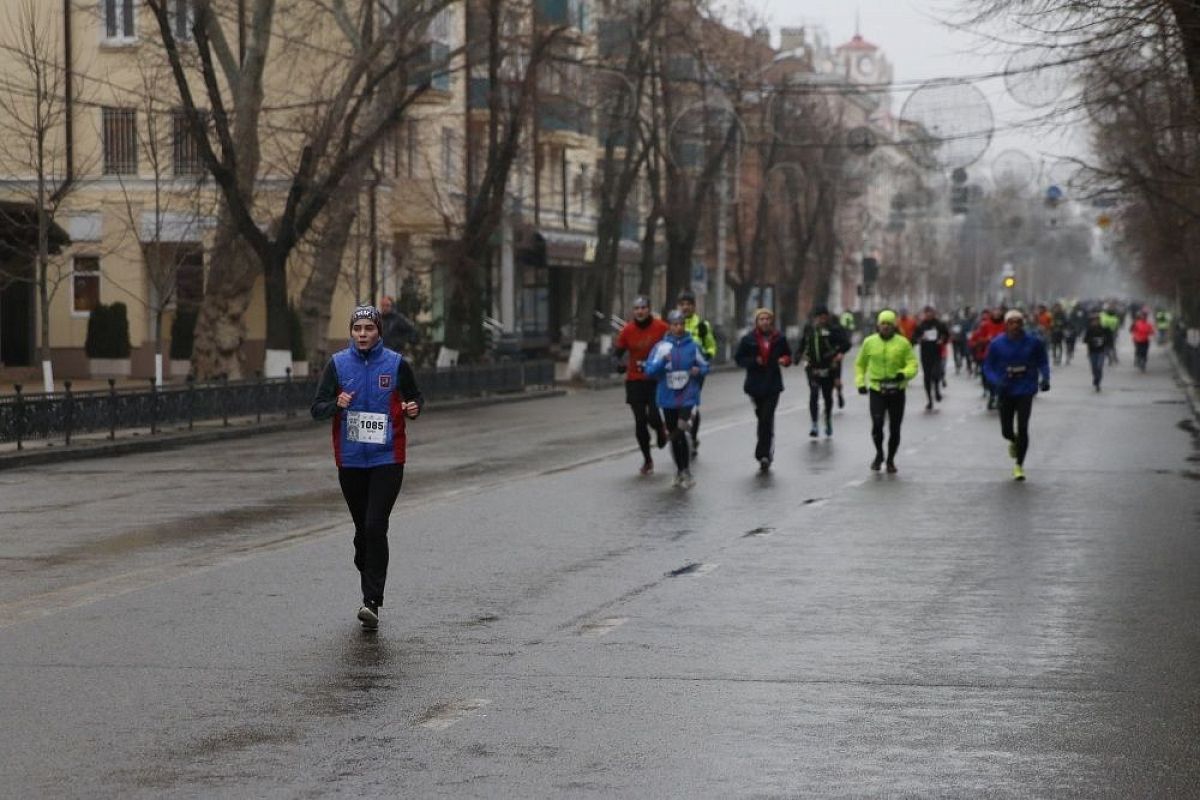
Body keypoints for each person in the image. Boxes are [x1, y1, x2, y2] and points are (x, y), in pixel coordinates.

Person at [311, 305, 423, 630]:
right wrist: (336, 404)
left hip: (388, 458)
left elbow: (415, 398)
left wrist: (413, 408)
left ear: (378, 332)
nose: (362, 334)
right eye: (357, 328)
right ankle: (365, 559)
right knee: (363, 532)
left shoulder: (396, 364)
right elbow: (316, 409)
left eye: (368, 329)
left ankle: (371, 601)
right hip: (351, 460)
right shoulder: (337, 364)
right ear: (351, 332)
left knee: (376, 526)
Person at [982, 310, 1050, 481]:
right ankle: (1012, 440)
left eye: (1018, 322)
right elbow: (987, 366)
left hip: (1026, 389)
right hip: (1005, 389)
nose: (1015, 326)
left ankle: (1019, 465)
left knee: (1023, 428)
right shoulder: (997, 344)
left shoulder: (1033, 342)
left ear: (1022, 324)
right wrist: (996, 380)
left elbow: (1042, 361)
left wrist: (1046, 377)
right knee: (1006, 430)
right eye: (1011, 322)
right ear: (1006, 325)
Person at [645, 310, 709, 487]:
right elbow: (649, 371)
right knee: (675, 436)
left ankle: (686, 471)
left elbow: (705, 366)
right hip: (667, 397)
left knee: (680, 431)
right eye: (675, 324)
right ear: (670, 326)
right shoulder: (661, 347)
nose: (678, 327)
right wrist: (663, 362)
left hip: (688, 395)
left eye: (681, 324)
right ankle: (681, 470)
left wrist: (699, 371)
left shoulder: (693, 346)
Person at [855, 309, 918, 474]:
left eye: (889, 324)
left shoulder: (903, 343)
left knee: (895, 428)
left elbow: (913, 364)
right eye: (882, 323)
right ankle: (879, 454)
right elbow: (860, 364)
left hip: (897, 390)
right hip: (877, 389)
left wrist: (904, 374)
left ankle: (890, 459)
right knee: (877, 425)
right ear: (878, 325)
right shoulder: (869, 342)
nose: (885, 327)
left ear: (894, 326)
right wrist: (860, 382)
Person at [613, 297, 670, 475]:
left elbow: (672, 345)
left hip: (655, 379)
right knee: (640, 422)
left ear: (649, 309)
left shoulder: (661, 327)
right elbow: (617, 353)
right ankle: (647, 460)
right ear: (633, 311)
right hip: (635, 380)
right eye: (637, 308)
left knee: (653, 415)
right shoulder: (628, 330)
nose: (640, 311)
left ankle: (660, 429)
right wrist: (619, 364)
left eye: (643, 308)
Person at [734, 308, 792, 471]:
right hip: (755, 385)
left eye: (768, 319)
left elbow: (788, 356)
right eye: (762, 319)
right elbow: (739, 359)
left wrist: (784, 360)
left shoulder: (779, 338)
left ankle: (763, 454)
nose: (765, 322)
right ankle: (766, 448)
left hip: (773, 384)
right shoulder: (748, 339)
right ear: (757, 322)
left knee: (766, 417)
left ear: (771, 321)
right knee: (762, 418)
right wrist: (754, 361)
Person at [797, 305, 850, 437]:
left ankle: (827, 420)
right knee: (814, 393)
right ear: (815, 318)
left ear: (828, 317)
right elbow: (803, 344)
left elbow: (846, 344)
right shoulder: (809, 329)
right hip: (812, 367)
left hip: (829, 367)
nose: (822, 319)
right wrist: (797, 357)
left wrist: (839, 353)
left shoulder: (834, 329)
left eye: (824, 316)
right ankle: (814, 424)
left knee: (827, 397)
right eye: (819, 317)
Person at [676, 290, 717, 456]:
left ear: (694, 306)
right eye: (682, 304)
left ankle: (691, 437)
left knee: (691, 403)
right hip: (677, 371)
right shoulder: (674, 323)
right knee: (678, 405)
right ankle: (683, 433)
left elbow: (711, 346)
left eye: (688, 304)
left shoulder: (702, 325)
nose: (685, 307)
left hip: (695, 372)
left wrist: (705, 357)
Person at [912, 306, 950, 410]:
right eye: (926, 313)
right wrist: (920, 339)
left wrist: (942, 340)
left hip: (937, 353)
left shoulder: (939, 324)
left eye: (930, 313)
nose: (928, 315)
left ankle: (937, 390)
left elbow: (946, 335)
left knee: (936, 373)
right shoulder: (921, 325)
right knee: (927, 377)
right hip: (925, 354)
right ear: (924, 314)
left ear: (934, 313)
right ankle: (929, 400)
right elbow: (914, 338)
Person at [969, 307, 1006, 409]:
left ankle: (998, 396)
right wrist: (986, 339)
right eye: (995, 312)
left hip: (1003, 355)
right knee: (988, 377)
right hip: (988, 355)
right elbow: (977, 338)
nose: (997, 313)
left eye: (999, 312)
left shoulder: (1006, 325)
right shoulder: (985, 325)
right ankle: (992, 395)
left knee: (1001, 377)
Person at [1083, 312, 1113, 391]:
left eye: (1097, 320)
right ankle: (1095, 378)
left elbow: (1109, 338)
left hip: (1101, 351)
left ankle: (1098, 382)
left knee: (1099, 367)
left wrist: (1105, 341)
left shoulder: (1104, 329)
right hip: (1092, 352)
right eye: (1093, 321)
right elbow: (1085, 340)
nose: (1095, 322)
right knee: (1094, 368)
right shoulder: (1089, 329)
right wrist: (1092, 341)